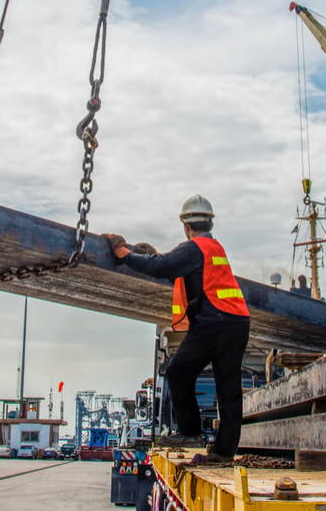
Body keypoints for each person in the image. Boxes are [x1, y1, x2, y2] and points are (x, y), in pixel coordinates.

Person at [105, 195, 250, 466]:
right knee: (228, 389)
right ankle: (223, 452)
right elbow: (176, 268)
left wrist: (125, 254)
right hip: (237, 322)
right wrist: (152, 256)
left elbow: (162, 268)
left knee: (177, 370)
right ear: (209, 222)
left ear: (186, 225)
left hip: (214, 322)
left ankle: (191, 432)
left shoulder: (194, 248)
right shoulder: (213, 248)